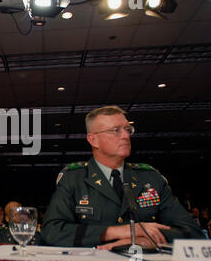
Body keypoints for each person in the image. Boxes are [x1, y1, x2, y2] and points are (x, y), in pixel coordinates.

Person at [42, 105, 205, 249]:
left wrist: (144, 239)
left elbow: (193, 231)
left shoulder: (150, 179)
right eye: (115, 130)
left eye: (128, 129)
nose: (126, 136)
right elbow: (52, 232)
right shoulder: (74, 179)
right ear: (93, 140)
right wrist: (113, 232)